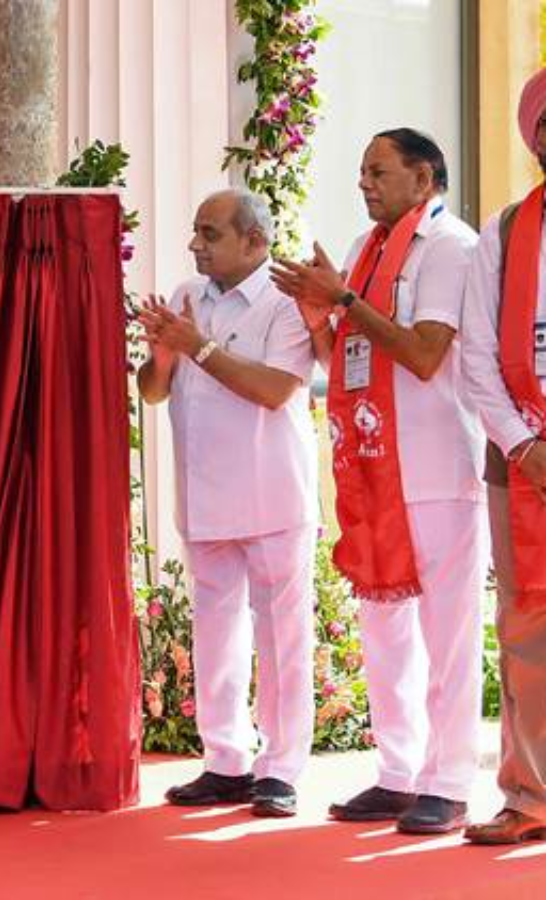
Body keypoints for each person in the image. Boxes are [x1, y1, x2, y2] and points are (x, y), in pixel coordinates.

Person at [271, 129, 484, 835]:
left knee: (446, 634)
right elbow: (348, 358)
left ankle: (449, 781)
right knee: (385, 629)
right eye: (362, 171)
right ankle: (398, 773)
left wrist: (344, 299)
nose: (364, 182)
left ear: (423, 179)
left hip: (434, 465)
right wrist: (321, 316)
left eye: (378, 171)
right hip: (372, 463)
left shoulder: (449, 246)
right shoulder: (367, 250)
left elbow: (423, 354)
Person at [138, 188, 319, 818]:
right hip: (204, 493)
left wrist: (197, 346)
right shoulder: (188, 294)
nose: (196, 245)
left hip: (272, 493)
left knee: (282, 638)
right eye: (196, 232)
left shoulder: (286, 301)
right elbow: (153, 391)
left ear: (255, 241)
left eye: (210, 234)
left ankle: (281, 769)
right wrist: (163, 356)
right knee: (215, 633)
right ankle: (225, 761)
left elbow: (274, 389)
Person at [458, 67, 546, 846]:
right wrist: (524, 444)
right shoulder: (507, 232)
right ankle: (530, 796)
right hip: (522, 464)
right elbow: (476, 355)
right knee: (527, 633)